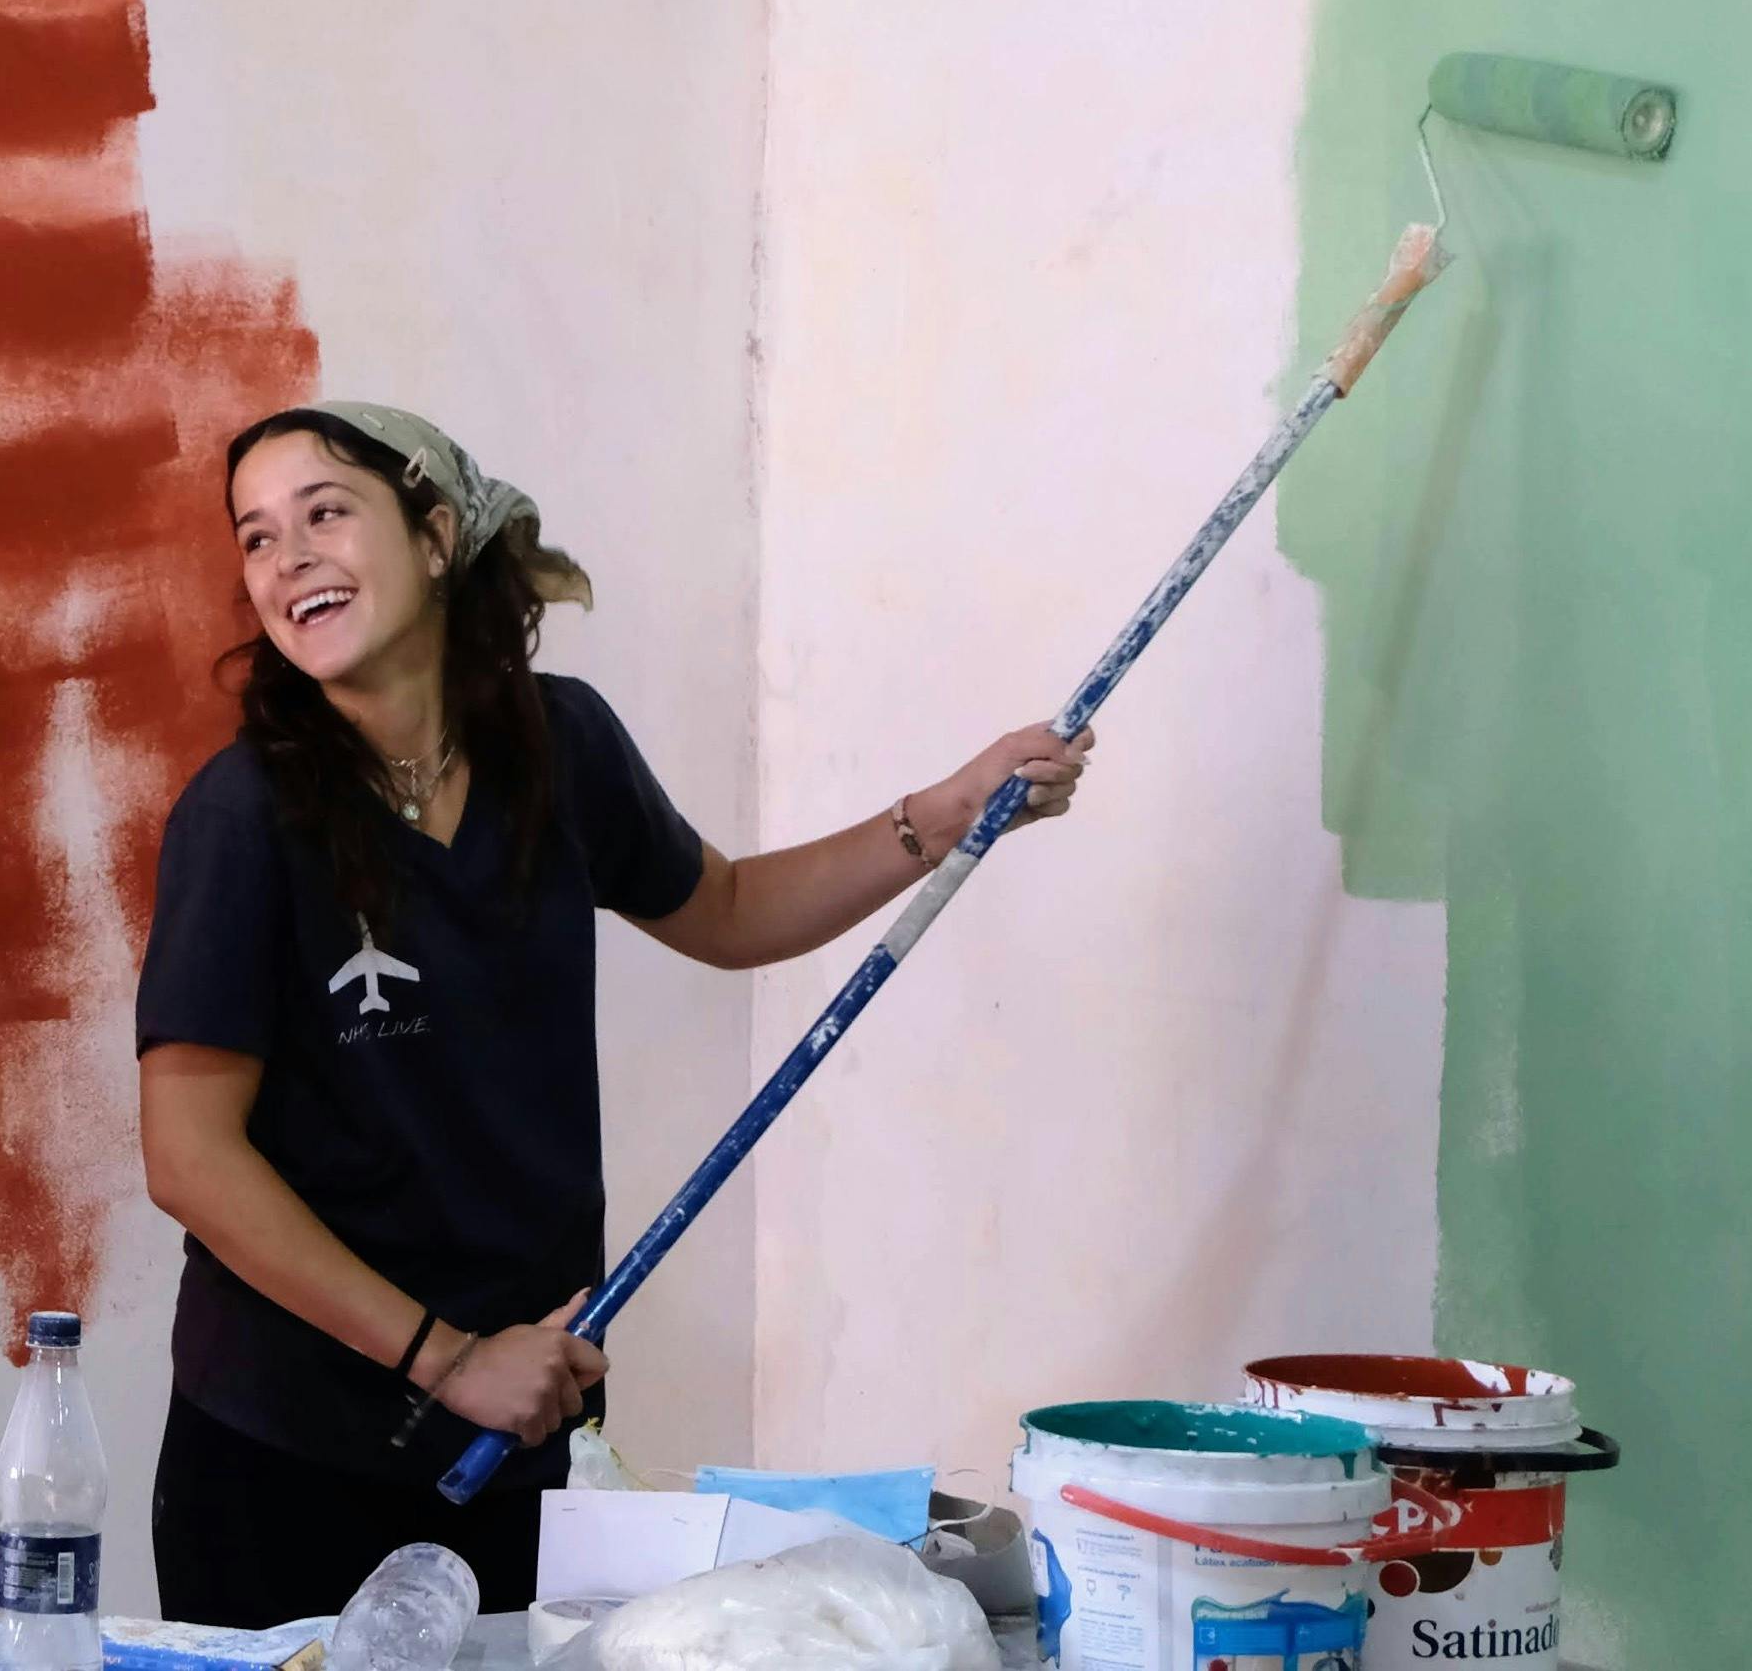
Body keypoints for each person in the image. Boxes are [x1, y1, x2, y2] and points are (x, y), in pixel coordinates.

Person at [134, 403, 1093, 1622]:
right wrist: (447, 1360)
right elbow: (188, 1156)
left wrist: (939, 819)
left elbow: (732, 909)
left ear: (434, 537)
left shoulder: (558, 742)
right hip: (291, 1451)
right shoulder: (242, 814)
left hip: (520, 1422)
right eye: (257, 538)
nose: (289, 560)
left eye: (326, 513)